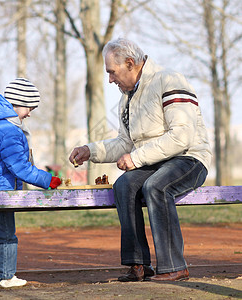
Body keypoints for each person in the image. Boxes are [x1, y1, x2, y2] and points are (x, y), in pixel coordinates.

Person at [69, 38, 212, 282]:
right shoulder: (126, 99)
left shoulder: (169, 80)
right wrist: (89, 151)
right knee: (123, 185)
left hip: (189, 158)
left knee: (156, 186)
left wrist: (136, 158)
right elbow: (125, 143)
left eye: (112, 72)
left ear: (130, 63)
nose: (110, 80)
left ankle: (175, 266)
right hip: (155, 163)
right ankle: (138, 265)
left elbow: (182, 136)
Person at [0, 78, 61, 289]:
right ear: (17, 103)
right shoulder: (10, 131)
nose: (29, 113)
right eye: (29, 108)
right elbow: (20, 167)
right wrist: (49, 180)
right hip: (1, 191)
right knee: (6, 233)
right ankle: (4, 277)